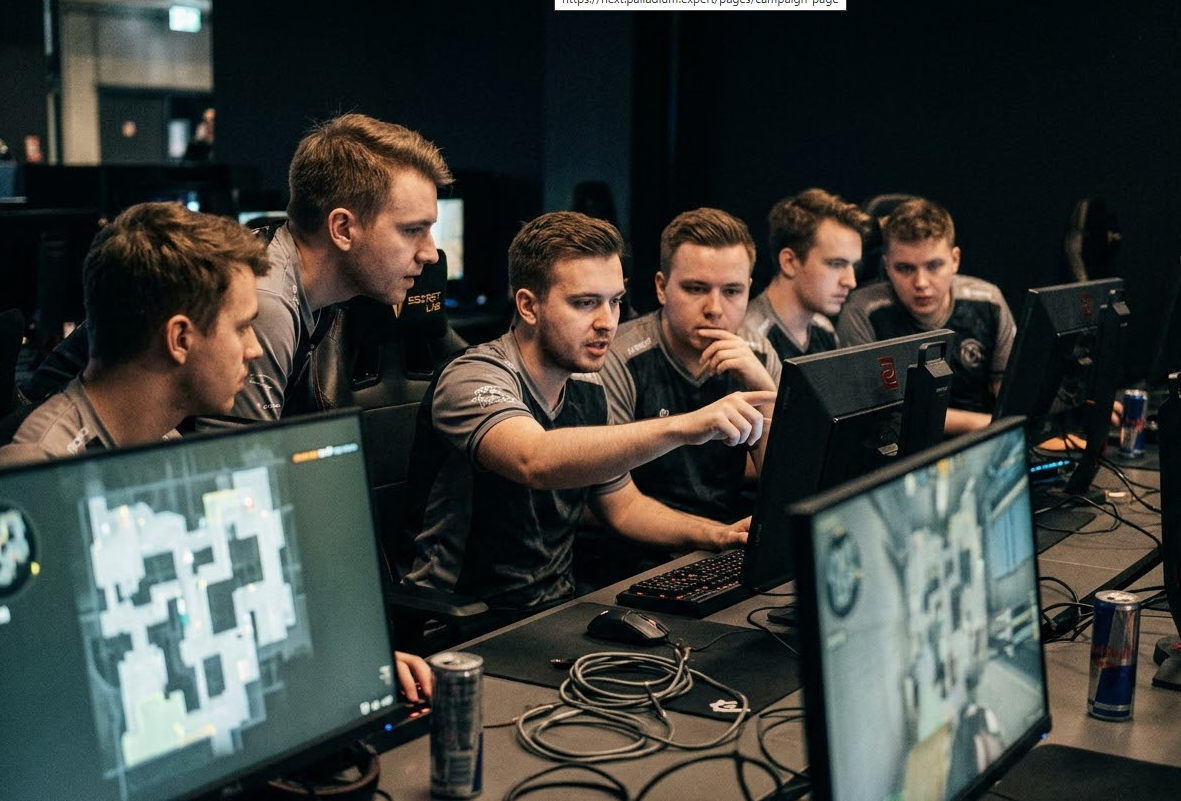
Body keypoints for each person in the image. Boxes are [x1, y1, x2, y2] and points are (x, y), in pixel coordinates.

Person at [399, 211, 774, 616]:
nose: (606, 322)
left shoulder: (588, 388)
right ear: (528, 306)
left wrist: (718, 535)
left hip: (558, 607)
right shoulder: (473, 376)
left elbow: (624, 507)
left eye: (614, 302)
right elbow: (533, 459)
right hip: (461, 619)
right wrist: (685, 425)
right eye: (585, 303)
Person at [20, 112, 453, 429]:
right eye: (412, 230)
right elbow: (239, 468)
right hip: (65, 460)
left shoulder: (295, 269)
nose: (430, 253)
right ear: (342, 228)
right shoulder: (267, 303)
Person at [0, 202, 267, 465]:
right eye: (242, 327)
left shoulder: (160, 437)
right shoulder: (38, 469)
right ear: (179, 339)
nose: (255, 349)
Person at [600, 207, 779, 523]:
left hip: (722, 536)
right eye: (696, 289)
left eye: (732, 291)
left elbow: (783, 488)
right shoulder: (619, 358)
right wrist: (718, 536)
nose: (714, 308)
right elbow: (612, 504)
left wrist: (765, 391)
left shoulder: (760, 355)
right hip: (637, 543)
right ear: (661, 288)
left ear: (749, 289)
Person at [836, 197, 1016, 434]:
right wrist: (984, 424)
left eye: (933, 266)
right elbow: (875, 414)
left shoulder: (989, 300)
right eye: (905, 268)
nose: (921, 282)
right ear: (887, 265)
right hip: (903, 445)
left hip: (984, 440)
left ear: (955, 260)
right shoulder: (862, 311)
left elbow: (1008, 393)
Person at [746, 188, 872, 360]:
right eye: (836, 264)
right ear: (789, 262)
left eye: (853, 266)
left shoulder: (824, 329)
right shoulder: (750, 343)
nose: (851, 282)